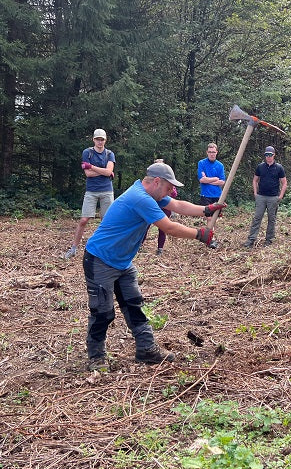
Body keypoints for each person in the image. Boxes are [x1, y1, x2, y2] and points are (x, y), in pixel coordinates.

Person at [82, 162, 225, 370]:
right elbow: (169, 227)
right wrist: (199, 234)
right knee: (103, 312)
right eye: (168, 188)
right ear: (157, 182)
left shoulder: (150, 194)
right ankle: (96, 357)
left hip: (122, 262)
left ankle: (146, 350)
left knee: (134, 305)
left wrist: (206, 210)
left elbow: (177, 205)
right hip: (100, 260)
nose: (170, 192)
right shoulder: (140, 198)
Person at [64, 129, 116, 259]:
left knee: (107, 221)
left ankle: (106, 249)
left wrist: (91, 167)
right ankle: (74, 248)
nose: (100, 142)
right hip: (91, 191)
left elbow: (107, 171)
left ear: (105, 140)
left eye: (102, 139)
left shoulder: (110, 154)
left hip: (107, 190)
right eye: (97, 139)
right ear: (93, 139)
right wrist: (105, 172)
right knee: (84, 220)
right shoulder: (87, 152)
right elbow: (88, 174)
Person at [243, 146, 288, 248]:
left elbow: (284, 183)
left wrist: (280, 196)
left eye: (270, 155)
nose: (268, 157)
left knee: (271, 219)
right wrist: (255, 193)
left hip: (273, 197)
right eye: (266, 155)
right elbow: (255, 180)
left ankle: (269, 240)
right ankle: (251, 239)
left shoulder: (279, 168)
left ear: (274, 155)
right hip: (261, 197)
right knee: (257, 218)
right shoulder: (260, 167)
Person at [197, 142, 226, 229]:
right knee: (208, 217)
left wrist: (208, 180)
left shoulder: (220, 165)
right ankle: (210, 237)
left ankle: (211, 234)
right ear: (207, 152)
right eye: (210, 152)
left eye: (213, 152)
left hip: (217, 195)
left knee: (214, 218)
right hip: (205, 195)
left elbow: (222, 182)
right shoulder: (201, 163)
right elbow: (202, 180)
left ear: (216, 152)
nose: (211, 154)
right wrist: (215, 179)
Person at [152, 159, 176, 256]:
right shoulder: (151, 182)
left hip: (165, 208)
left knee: (163, 228)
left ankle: (160, 248)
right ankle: (139, 245)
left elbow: (174, 194)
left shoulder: (169, 180)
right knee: (145, 226)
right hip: (153, 206)